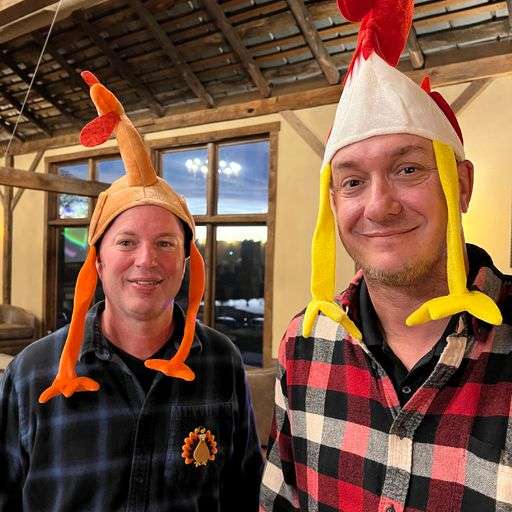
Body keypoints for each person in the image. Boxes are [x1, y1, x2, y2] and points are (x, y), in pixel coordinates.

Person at [260, 1, 511, 511]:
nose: (379, 205)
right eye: (352, 181)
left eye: (408, 170)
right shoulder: (304, 345)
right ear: (334, 204)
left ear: (459, 186)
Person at [0, 71, 263, 511]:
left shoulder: (222, 361)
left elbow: (243, 491)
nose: (147, 260)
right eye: (126, 242)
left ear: (185, 261)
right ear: (98, 260)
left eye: (165, 243)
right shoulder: (32, 373)